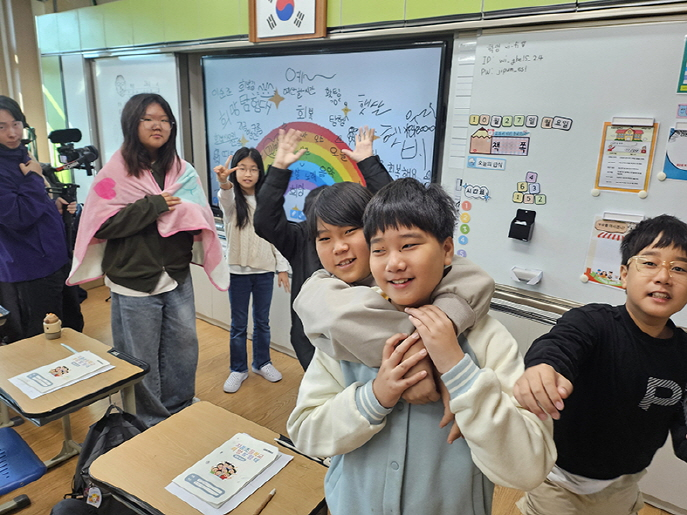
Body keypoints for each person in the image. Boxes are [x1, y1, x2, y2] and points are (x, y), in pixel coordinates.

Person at [287, 178, 555, 514]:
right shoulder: (344, 333)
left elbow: (529, 469)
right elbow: (305, 433)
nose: (394, 263)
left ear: (446, 249)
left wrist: (459, 372)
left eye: (409, 245)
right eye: (379, 250)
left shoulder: (486, 338)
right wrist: (374, 397)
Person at [68, 93, 228, 427]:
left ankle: (179, 404)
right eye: (149, 119)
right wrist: (153, 206)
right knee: (139, 354)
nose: (158, 126)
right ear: (132, 123)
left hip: (176, 273)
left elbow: (199, 214)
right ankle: (148, 419)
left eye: (165, 120)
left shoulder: (182, 171)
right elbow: (103, 224)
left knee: (183, 347)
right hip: (134, 278)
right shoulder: (116, 172)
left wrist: (182, 213)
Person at [513, 214, 687, 515]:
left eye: (680, 268)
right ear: (624, 274)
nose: (663, 276)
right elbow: (560, 344)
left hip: (623, 483)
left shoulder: (683, 354)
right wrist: (544, 366)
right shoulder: (593, 322)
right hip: (558, 479)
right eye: (649, 262)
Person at [253, 126, 394, 370]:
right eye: (325, 236)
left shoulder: (385, 259)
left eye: (348, 230)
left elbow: (394, 212)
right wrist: (278, 170)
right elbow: (265, 221)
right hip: (315, 349)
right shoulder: (301, 240)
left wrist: (369, 163)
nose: (339, 247)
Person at [0, 95, 80, 343]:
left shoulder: (22, 154)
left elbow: (31, 202)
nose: (12, 133)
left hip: (54, 260)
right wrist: (34, 177)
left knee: (70, 328)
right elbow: (18, 216)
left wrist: (52, 207)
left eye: (16, 124)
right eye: (1, 127)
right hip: (27, 270)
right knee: (41, 340)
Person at [215, 148, 290, 393]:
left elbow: (278, 235)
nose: (248, 174)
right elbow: (226, 198)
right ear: (235, 171)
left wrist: (281, 268)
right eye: (243, 168)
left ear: (261, 172)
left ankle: (262, 363)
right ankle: (238, 369)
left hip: (264, 270)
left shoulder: (268, 201)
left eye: (253, 169)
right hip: (237, 272)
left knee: (262, 322)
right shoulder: (230, 200)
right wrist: (224, 182)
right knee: (238, 325)